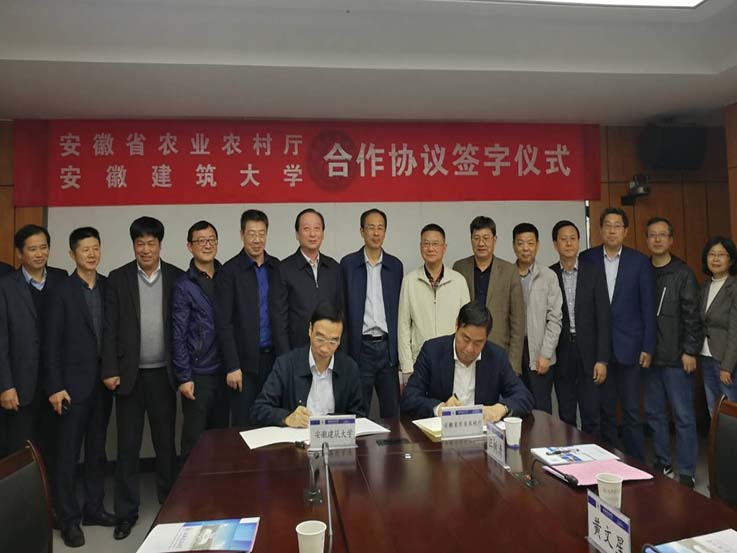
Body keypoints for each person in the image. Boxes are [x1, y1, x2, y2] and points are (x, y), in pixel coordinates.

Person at [101, 216, 183, 540]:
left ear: (160, 245)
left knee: (166, 446)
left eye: (151, 243)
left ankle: (170, 506)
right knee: (127, 448)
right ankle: (126, 513)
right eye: (140, 243)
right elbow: (109, 328)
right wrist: (110, 369)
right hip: (128, 377)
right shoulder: (118, 278)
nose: (145, 249)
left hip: (163, 375)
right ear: (133, 245)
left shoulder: (176, 276)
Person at [45, 227, 114, 547]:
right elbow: (50, 344)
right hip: (71, 388)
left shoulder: (108, 286)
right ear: (72, 254)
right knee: (68, 456)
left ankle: (94, 509)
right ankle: (68, 519)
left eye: (95, 247)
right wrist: (55, 386)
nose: (91, 254)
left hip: (103, 384)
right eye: (85, 249)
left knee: (97, 452)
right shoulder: (61, 291)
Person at [580, 207, 655, 461]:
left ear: (626, 231)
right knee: (605, 411)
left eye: (617, 226)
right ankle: (607, 462)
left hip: (631, 348)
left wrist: (648, 346)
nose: (612, 230)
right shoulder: (587, 259)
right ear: (600, 230)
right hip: (598, 350)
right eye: (607, 225)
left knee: (632, 412)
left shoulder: (639, 262)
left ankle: (637, 463)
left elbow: (647, 307)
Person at [0, 225, 67, 463]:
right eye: (32, 249)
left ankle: (52, 490)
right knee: (20, 451)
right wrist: (5, 386)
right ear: (19, 253)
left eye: (43, 247)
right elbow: (1, 340)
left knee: (55, 447)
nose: (40, 254)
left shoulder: (62, 279)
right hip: (21, 384)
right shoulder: (6, 286)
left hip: (56, 382)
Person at [215, 209, 288, 427]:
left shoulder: (277, 267)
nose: (257, 240)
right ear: (242, 235)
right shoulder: (229, 271)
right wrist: (232, 366)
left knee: (274, 421)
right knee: (244, 424)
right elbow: (224, 323)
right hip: (243, 364)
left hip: (273, 359)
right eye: (251, 234)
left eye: (261, 233)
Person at [400, 302, 534, 420]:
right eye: (465, 339)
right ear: (456, 326)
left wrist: (500, 409)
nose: (470, 349)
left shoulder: (496, 357)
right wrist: (440, 408)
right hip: (440, 434)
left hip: (482, 433)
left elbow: (524, 397)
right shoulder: (432, 351)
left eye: (478, 343)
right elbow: (409, 398)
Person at [644, 217, 701, 489]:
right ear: (647, 239)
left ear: (671, 240)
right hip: (650, 357)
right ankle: (663, 461)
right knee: (654, 414)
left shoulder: (683, 273)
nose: (657, 239)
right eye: (652, 235)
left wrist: (690, 350)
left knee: (683, 417)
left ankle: (687, 470)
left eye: (662, 235)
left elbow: (692, 315)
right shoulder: (643, 270)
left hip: (677, 358)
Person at [251, 303, 366, 428]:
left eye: (333, 341)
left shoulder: (349, 369)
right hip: (296, 438)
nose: (325, 348)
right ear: (310, 330)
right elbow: (259, 409)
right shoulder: (286, 364)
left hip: (333, 438)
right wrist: (287, 418)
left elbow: (359, 417)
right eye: (320, 339)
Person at [172, 221, 228, 464]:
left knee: (222, 438)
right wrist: (184, 376)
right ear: (190, 246)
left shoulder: (227, 276)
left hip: (225, 371)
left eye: (211, 240)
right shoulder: (184, 285)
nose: (207, 245)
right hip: (199, 373)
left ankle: (218, 486)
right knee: (194, 440)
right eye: (201, 241)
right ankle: (190, 488)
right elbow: (178, 334)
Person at [340, 208, 403, 418]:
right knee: (358, 409)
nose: (376, 233)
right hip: (361, 349)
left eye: (380, 228)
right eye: (371, 228)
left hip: (387, 349)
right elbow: (343, 310)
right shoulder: (348, 264)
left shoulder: (395, 266)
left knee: (392, 411)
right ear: (362, 231)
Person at [550, 220, 610, 437]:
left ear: (578, 242)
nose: (568, 243)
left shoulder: (593, 272)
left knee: (592, 414)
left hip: (590, 353)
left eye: (573, 239)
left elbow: (603, 317)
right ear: (555, 244)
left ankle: (593, 455)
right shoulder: (549, 275)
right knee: (566, 415)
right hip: (562, 352)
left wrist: (602, 359)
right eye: (563, 239)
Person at [398, 223, 470, 385]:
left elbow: (467, 325)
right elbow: (403, 327)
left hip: (453, 359)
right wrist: (407, 368)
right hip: (420, 361)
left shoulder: (458, 281)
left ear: (444, 247)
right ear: (420, 247)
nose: (430, 248)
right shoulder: (410, 281)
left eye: (435, 244)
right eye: (426, 243)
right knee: (422, 401)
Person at [453, 216, 525, 374]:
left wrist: (513, 366)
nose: (481, 243)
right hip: (466, 350)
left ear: (495, 239)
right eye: (476, 238)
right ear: (471, 239)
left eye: (486, 238)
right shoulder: (459, 268)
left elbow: (517, 322)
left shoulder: (509, 271)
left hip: (498, 350)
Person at [512, 222, 562, 414]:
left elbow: (555, 318)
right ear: (514, 246)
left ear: (538, 245)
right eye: (520, 243)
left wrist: (546, 354)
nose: (525, 248)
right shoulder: (507, 274)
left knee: (541, 409)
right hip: (515, 351)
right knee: (516, 408)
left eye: (530, 243)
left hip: (540, 351)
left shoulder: (548, 276)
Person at [280, 208, 344, 349]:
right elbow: (279, 319)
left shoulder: (334, 268)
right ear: (297, 234)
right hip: (297, 351)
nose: (312, 234)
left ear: (323, 233)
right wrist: (285, 357)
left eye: (317, 228)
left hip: (329, 350)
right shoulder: (284, 269)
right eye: (306, 229)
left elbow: (341, 312)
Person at [699, 236, 737, 415]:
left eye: (721, 254)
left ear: (731, 260)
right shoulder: (704, 287)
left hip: (726, 361)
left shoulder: (734, 288)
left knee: (729, 412)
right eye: (711, 254)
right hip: (706, 356)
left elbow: (735, 331)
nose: (715, 259)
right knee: (713, 410)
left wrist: (727, 366)